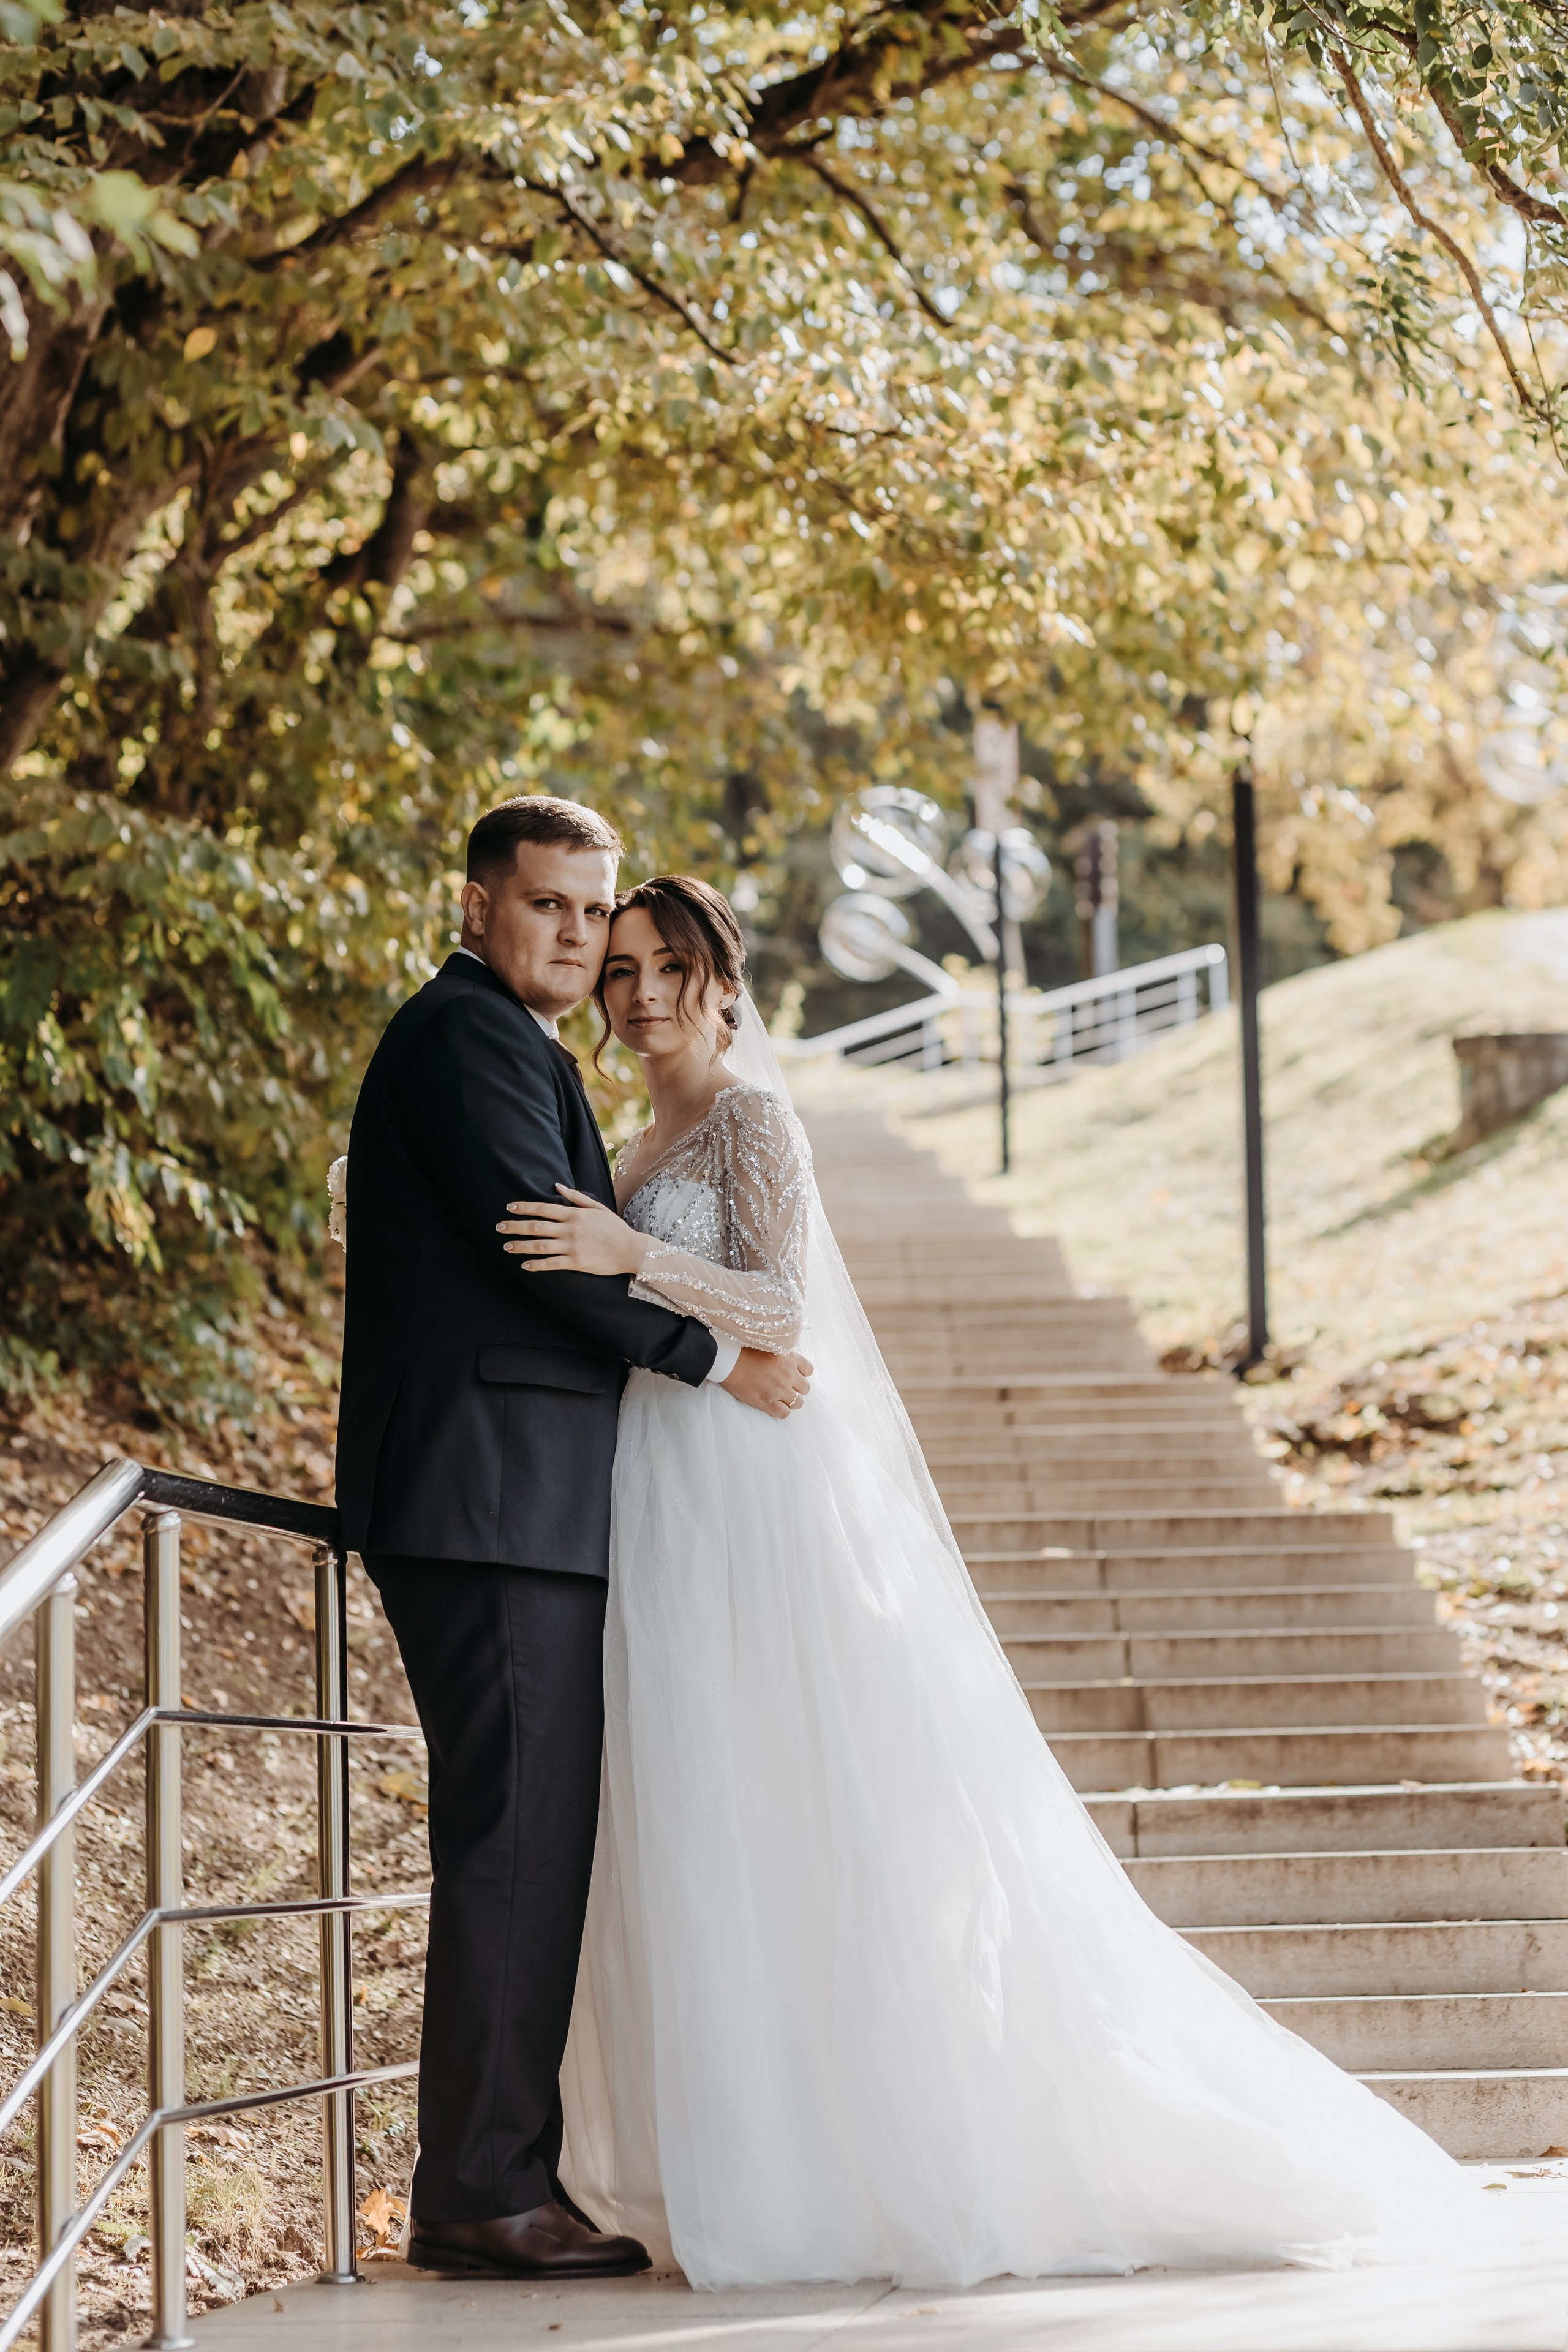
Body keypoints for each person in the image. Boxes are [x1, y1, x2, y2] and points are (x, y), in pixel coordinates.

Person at [495, 873, 1478, 2291]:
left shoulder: (753, 1121)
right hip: (651, 1485)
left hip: (750, 1491)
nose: (640, 994)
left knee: (787, 1800)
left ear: (721, 980)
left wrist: (630, 1248)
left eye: (668, 967)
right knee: (695, 1810)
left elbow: (784, 1304)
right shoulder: (631, 1137)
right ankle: (739, 2155)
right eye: (621, 971)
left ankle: (855, 2163)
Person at [333, 801, 812, 2282]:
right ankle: (483, 2190)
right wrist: (711, 1359)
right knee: (517, 1843)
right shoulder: (473, 1038)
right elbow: (545, 1253)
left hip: (513, 1496)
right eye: (546, 903)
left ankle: (493, 2175)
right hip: (489, 1497)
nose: (574, 933)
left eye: (589, 910)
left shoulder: (503, 1043)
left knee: (525, 1838)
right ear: (475, 905)